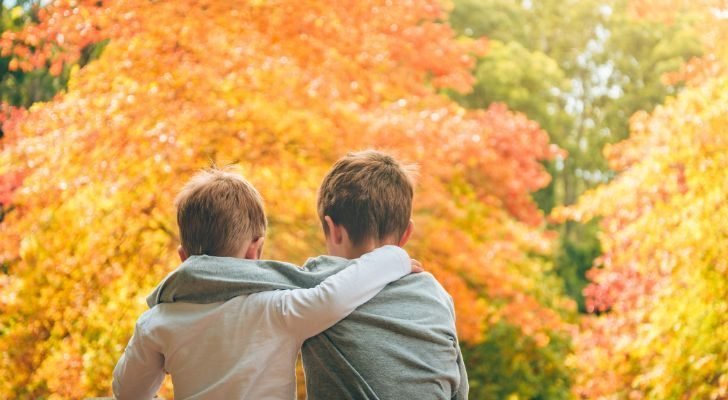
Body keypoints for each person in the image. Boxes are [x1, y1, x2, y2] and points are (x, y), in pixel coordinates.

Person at [149, 150, 469, 399]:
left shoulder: (321, 279)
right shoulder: (437, 296)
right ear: (406, 235)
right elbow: (458, 389)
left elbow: (236, 274)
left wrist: (174, 287)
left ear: (331, 229)